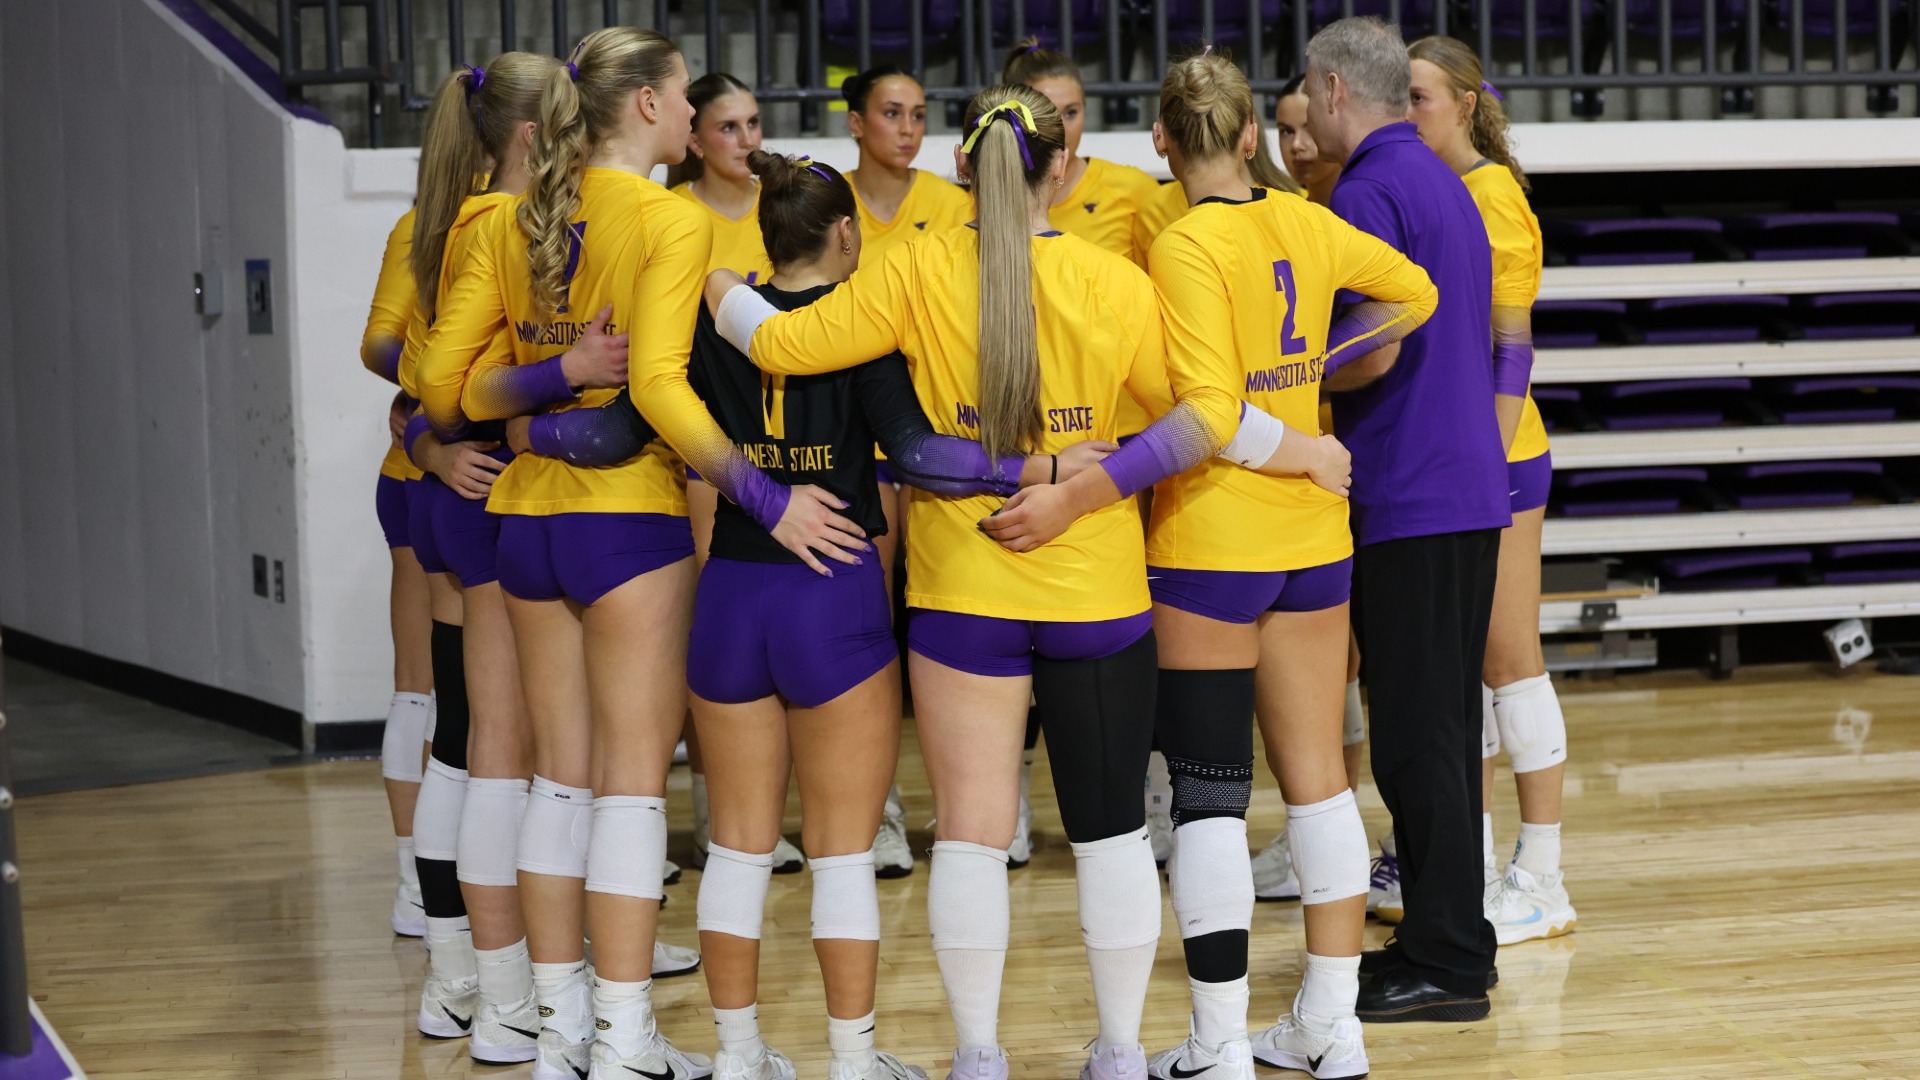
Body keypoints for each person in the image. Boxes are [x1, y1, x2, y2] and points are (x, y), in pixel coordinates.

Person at [517, 148, 1099, 1080]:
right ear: (845, 235)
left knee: (738, 850)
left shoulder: (709, 327)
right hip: (833, 596)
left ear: (767, 237)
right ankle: (851, 1062)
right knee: (840, 857)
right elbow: (920, 455)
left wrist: (514, 426)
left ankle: (738, 1056)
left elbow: (615, 430)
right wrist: (1042, 467)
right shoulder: (861, 329)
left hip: (731, 598)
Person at [709, 84, 1187, 1080]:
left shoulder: (911, 266)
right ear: (1064, 167)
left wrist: (718, 287)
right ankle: (1121, 1053)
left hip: (962, 587)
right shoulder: (1117, 280)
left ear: (961, 166)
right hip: (1095, 583)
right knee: (1110, 835)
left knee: (969, 835)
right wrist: (1076, 481)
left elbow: (784, 343)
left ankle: (976, 1056)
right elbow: (1182, 421)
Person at [420, 26, 851, 1080]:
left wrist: (546, 384)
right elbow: (657, 388)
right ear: (652, 106)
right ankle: (622, 1037)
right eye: (682, 92)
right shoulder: (668, 218)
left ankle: (561, 1031)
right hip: (625, 525)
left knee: (555, 784)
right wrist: (766, 497)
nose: (691, 111)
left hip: (526, 524)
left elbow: (443, 391)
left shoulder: (513, 217)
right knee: (626, 790)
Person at [1120, 52, 1438, 1080]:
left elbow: (1212, 416)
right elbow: (1416, 293)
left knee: (1210, 796)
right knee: (1320, 791)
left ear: (1162, 142)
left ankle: (1217, 1042)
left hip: (1213, 540)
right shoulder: (1306, 217)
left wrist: (1290, 418)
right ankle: (1331, 1028)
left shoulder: (1181, 243)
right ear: (1254, 135)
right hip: (1313, 543)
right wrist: (1316, 369)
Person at [1303, 16, 1510, 1022]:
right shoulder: (1438, 176)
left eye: (1309, 90)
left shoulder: (1370, 187)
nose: (1305, 109)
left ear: (1337, 91)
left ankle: (1449, 961)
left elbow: (1377, 344)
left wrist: (1291, 374)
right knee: (1443, 731)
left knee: (1419, 740)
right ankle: (1449, 938)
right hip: (1461, 487)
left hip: (1413, 490)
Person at [396, 54, 575, 1062]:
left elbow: (414, 383)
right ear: (532, 135)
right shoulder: (504, 223)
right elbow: (433, 376)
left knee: (466, 740)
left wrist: (428, 444)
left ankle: (459, 977)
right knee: (497, 749)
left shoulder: (451, 216)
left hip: (450, 491)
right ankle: (500, 995)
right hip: (485, 493)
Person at [1408, 35, 1576, 947]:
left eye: (1422, 99)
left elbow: (1513, 345)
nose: (1408, 115)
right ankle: (1470, 870)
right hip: (1456, 456)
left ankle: (1543, 878)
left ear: (1467, 105)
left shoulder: (1493, 196)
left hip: (1500, 454)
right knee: (1465, 669)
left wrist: (1488, 451)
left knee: (1512, 662)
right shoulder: (1436, 189)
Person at [663, 71, 807, 879]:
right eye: (728, 126)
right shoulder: (673, 216)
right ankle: (719, 816)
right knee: (711, 627)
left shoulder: (780, 207)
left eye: (754, 123)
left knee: (793, 628)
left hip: (796, 444)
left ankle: (782, 814)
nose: (747, 140)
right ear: (692, 139)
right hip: (708, 444)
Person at [839, 62, 973, 878]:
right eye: (892, 113)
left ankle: (982, 808)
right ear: (856, 122)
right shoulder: (831, 206)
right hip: (861, 447)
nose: (909, 129)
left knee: (963, 621)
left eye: (920, 114)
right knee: (871, 626)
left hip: (946, 447)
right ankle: (879, 811)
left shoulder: (954, 207)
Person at [1248, 73, 1362, 907]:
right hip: (1294, 466)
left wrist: (1307, 371)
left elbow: (1404, 315)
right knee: (1327, 677)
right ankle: (1313, 831)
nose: (1298, 145)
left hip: (1334, 459)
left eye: (1305, 128)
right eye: (1283, 131)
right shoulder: (1283, 213)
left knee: (1347, 670)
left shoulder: (1340, 215)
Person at [361, 206, 435, 942]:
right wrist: (429, 388)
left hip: (464, 471)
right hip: (427, 476)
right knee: (423, 686)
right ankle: (420, 886)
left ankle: (434, 888)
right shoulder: (426, 224)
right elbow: (379, 342)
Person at [1000, 39, 1163, 266]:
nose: (1061, 129)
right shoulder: (986, 199)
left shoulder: (1135, 190)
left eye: (1071, 112)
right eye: (1044, 114)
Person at [1275, 75, 1342, 205]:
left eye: (1311, 129)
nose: (1296, 145)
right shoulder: (1285, 211)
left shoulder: (1367, 206)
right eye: (1287, 131)